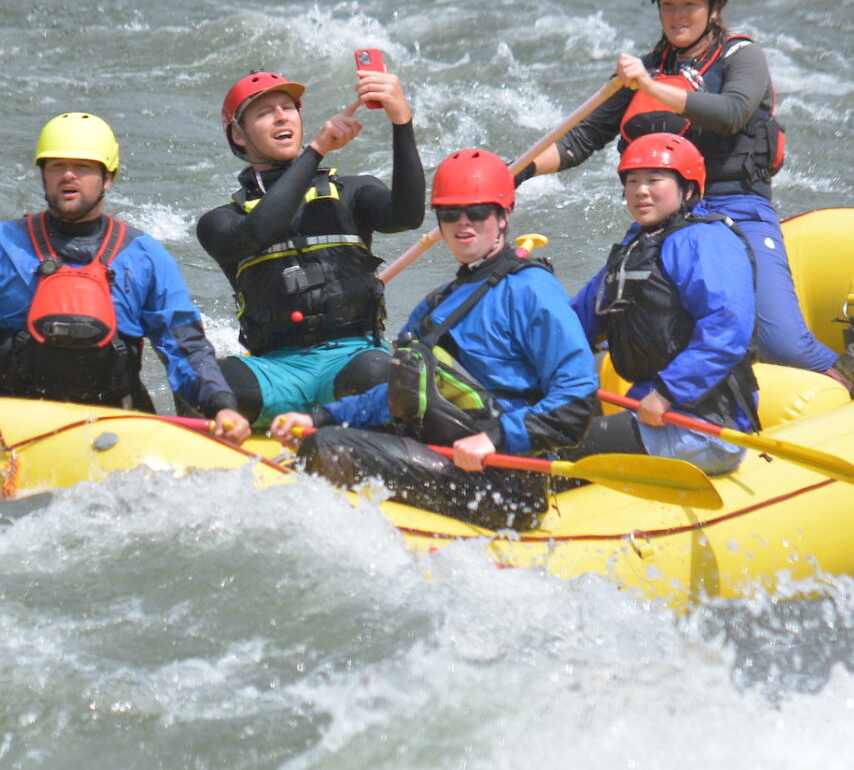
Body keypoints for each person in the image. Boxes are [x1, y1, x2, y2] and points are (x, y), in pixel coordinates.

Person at [522, 0, 854, 390]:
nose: (677, 15)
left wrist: (650, 86)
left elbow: (732, 112)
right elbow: (581, 140)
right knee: (594, 315)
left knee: (783, 345)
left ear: (715, 7)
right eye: (667, 5)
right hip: (668, 218)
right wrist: (518, 172)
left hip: (738, 208)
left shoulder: (740, 57)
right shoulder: (647, 69)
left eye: (689, 3)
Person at [266, 150, 600, 531]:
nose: (462, 223)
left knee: (331, 448)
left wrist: (497, 438)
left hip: (504, 482)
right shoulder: (437, 303)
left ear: (503, 216)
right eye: (449, 214)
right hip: (442, 457)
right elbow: (401, 395)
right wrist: (317, 416)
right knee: (325, 435)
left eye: (476, 212)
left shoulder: (532, 291)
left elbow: (576, 401)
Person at [0, 112, 249, 445]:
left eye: (83, 167)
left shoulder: (145, 256)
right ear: (43, 175)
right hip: (14, 416)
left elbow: (185, 346)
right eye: (55, 166)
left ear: (108, 178)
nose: (67, 176)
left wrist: (221, 405)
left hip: (115, 421)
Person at [196, 67, 426, 425]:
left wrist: (401, 121)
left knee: (381, 375)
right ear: (239, 137)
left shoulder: (354, 192)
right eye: (264, 112)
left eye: (287, 107)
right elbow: (259, 231)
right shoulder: (220, 221)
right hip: (276, 372)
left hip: (354, 360)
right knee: (204, 383)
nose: (280, 117)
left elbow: (408, 216)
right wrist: (316, 150)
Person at [570, 133, 758, 475]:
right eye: (632, 181)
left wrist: (668, 391)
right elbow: (577, 320)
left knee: (563, 447)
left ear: (687, 190)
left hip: (702, 424)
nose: (640, 190)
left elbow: (727, 326)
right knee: (542, 431)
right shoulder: (637, 247)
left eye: (654, 180)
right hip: (648, 408)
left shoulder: (705, 240)